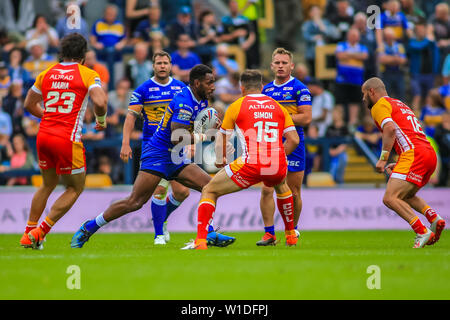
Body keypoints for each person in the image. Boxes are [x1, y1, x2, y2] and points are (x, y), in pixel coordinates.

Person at [71, 64, 236, 248]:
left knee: (209, 186)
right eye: (209, 82)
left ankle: (208, 233)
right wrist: (206, 136)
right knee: (134, 202)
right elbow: (176, 137)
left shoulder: (202, 100)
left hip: (176, 156)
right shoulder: (184, 102)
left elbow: (191, 130)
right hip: (158, 153)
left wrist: (215, 133)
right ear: (197, 83)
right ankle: (89, 227)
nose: (213, 86)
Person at [182, 69, 300, 250]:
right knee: (281, 186)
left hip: (250, 163)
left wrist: (220, 159)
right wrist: (278, 158)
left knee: (209, 190)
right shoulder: (278, 107)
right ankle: (291, 235)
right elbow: (294, 139)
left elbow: (222, 138)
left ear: (242, 87)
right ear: (261, 87)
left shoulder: (237, 105)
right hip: (276, 163)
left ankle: (200, 241)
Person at [19, 33, 108, 250]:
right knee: (74, 188)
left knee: (47, 184)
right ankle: (41, 232)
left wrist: (50, 117)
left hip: (43, 136)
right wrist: (101, 120)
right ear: (83, 56)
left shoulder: (47, 73)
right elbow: (100, 100)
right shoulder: (87, 73)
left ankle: (28, 232)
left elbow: (29, 104)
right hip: (66, 139)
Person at [362, 77, 445, 248]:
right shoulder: (400, 104)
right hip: (428, 152)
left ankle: (421, 230)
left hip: (414, 154)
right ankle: (434, 218)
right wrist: (400, 161)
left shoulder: (379, 105)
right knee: (405, 195)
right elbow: (406, 133)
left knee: (390, 198)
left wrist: (383, 158)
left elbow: (390, 129)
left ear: (372, 91)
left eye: (364, 94)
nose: (363, 99)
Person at [258, 48, 312, 246]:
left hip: (293, 143)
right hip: (270, 144)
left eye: (284, 63)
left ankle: (292, 229)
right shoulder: (266, 91)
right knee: (266, 189)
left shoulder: (300, 88)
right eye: (277, 63)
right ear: (271, 66)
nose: (280, 66)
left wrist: (279, 119)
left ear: (292, 66)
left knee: (294, 191)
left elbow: (306, 117)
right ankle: (269, 234)